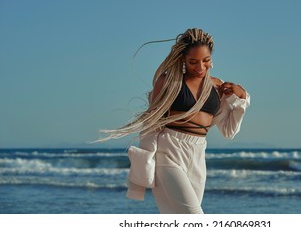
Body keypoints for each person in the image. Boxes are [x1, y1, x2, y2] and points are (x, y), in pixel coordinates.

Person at [99, 28, 250, 214]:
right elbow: (152, 122)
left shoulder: (218, 86)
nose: (200, 67)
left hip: (197, 154)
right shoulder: (168, 82)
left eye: (206, 61)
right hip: (168, 152)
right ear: (183, 61)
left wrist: (241, 97)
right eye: (193, 62)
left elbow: (229, 131)